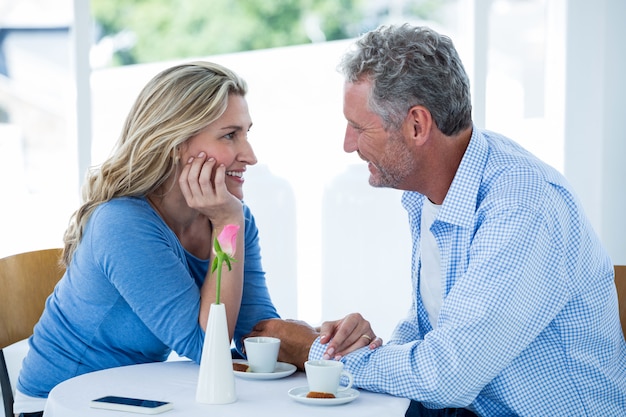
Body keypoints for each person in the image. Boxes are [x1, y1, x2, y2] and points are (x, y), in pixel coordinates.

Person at [247, 24, 626, 416]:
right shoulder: (430, 192)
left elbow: (449, 376)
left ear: (416, 125)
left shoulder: (521, 207)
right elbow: (439, 335)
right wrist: (364, 347)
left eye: (360, 127)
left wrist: (318, 354)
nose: (347, 144)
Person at [14, 61, 375, 417]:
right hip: (61, 405)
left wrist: (326, 341)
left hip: (137, 398)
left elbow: (255, 334)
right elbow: (209, 348)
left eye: (247, 133)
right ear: (175, 144)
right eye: (230, 135)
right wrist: (226, 226)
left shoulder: (233, 219)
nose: (250, 155)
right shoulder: (123, 224)